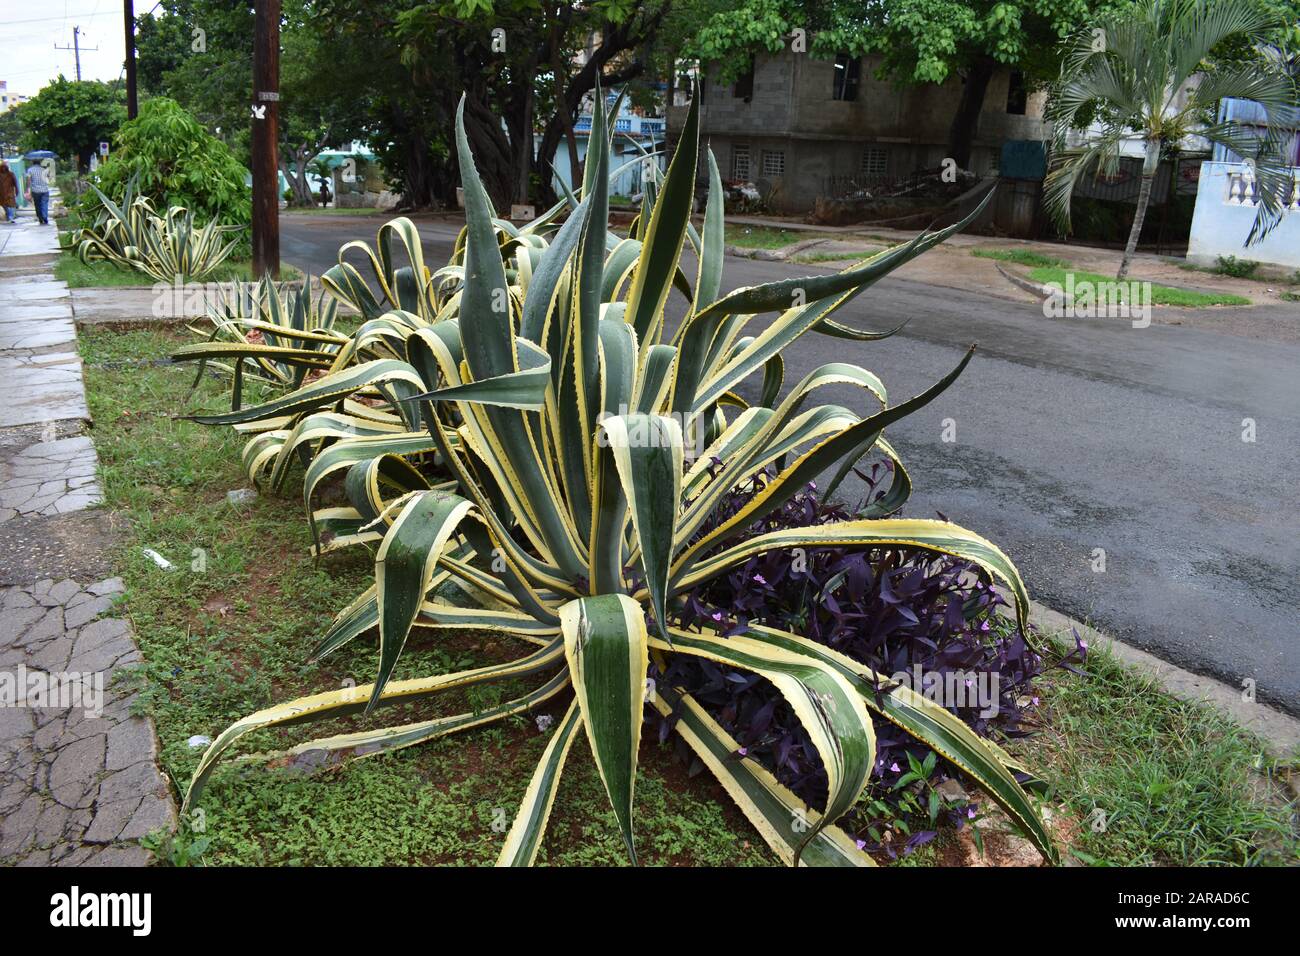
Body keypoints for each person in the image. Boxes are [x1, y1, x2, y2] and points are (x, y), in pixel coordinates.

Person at [24, 160, 51, 225]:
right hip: (45, 190)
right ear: (40, 163)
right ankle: (45, 216)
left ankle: (40, 218)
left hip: (35, 191)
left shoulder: (30, 170)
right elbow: (49, 178)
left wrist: (27, 189)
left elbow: (28, 180)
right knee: (44, 204)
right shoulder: (44, 169)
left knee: (37, 205)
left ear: (33, 162)